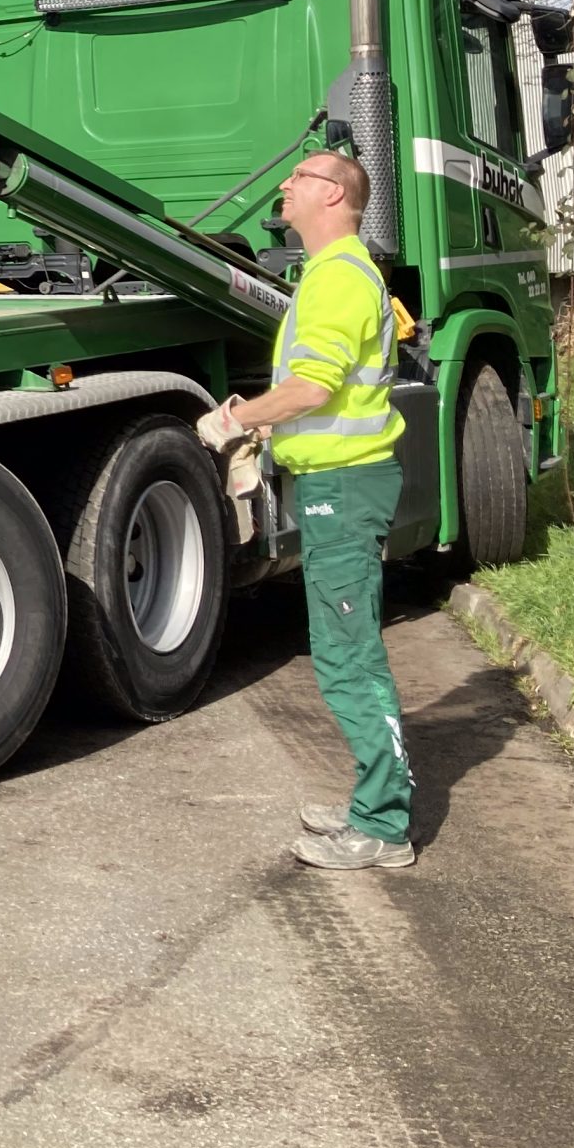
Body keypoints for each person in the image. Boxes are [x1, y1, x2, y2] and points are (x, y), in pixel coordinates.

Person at [197, 149, 414, 870]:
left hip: (345, 490)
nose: (283, 185)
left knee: (350, 658)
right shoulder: (332, 275)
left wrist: (236, 418)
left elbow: (314, 388)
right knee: (341, 651)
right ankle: (368, 806)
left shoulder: (338, 279)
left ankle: (382, 826)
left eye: (297, 178)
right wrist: (269, 427)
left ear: (333, 195)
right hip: (340, 483)